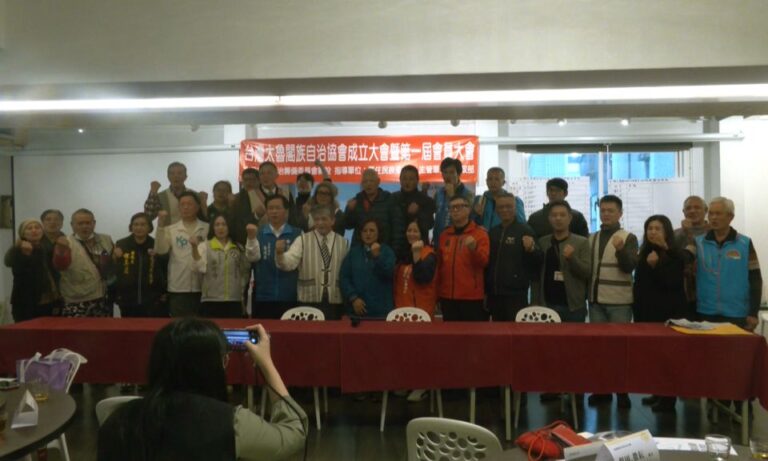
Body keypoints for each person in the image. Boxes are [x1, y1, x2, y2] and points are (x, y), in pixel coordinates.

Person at [97, 318, 308, 461]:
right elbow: (294, 432)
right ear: (211, 368)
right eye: (223, 360)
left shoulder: (118, 420)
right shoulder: (231, 423)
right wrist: (266, 363)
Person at [587, 195, 639, 409]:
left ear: (620, 213)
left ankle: (622, 392)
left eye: (611, 211)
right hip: (595, 301)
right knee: (599, 349)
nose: (606, 214)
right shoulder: (592, 237)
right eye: (603, 210)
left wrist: (620, 250)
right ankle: (602, 391)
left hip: (619, 302)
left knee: (619, 350)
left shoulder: (628, 238)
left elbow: (629, 267)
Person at [633, 214, 688, 413]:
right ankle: (657, 392)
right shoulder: (644, 252)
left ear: (666, 232)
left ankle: (668, 399)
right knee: (653, 357)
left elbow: (671, 283)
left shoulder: (675, 254)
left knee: (667, 358)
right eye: (650, 228)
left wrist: (656, 266)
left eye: (658, 229)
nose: (653, 232)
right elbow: (639, 285)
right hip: (647, 313)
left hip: (668, 314)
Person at [693, 197, 762, 331]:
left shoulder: (745, 243)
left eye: (718, 213)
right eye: (711, 213)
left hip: (737, 313)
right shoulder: (698, 243)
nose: (713, 217)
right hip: (705, 312)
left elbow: (755, 278)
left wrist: (753, 312)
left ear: (730, 217)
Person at [276, 205, 350, 320]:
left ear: (333, 220)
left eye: (324, 219)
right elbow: (289, 263)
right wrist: (279, 254)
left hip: (335, 301)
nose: (320, 223)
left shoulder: (344, 243)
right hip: (308, 299)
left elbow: (348, 273)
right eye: (317, 219)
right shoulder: (302, 240)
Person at [531, 201, 591, 323]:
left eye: (562, 215)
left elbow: (587, 272)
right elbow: (536, 274)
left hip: (573, 307)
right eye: (554, 215)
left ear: (570, 218)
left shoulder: (582, 242)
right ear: (549, 219)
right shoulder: (543, 242)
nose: (558, 218)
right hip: (547, 305)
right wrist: (534, 301)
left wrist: (572, 258)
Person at [154, 191, 210, 317]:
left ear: (197, 207)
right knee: (179, 324)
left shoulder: (207, 228)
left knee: (201, 324)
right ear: (178, 208)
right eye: (182, 204)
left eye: (189, 204)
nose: (185, 207)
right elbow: (161, 250)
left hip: (203, 286)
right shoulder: (171, 229)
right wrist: (160, 226)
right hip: (178, 286)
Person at [192, 216, 260, 318]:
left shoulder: (238, 247)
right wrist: (194, 248)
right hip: (211, 300)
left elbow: (248, 266)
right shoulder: (205, 246)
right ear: (213, 228)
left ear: (229, 227)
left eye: (224, 224)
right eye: (217, 225)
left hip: (234, 299)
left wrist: (241, 295)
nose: (220, 228)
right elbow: (199, 268)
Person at [486, 193, 540, 321]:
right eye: (501, 207)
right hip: (494, 294)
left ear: (515, 208)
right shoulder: (493, 232)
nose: (505, 210)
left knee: (516, 331)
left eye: (509, 206)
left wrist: (532, 250)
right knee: (497, 331)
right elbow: (488, 263)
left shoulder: (525, 230)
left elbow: (538, 261)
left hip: (516, 295)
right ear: (496, 210)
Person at [53, 209, 116, 317]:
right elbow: (60, 266)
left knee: (104, 328)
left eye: (88, 223)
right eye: (80, 223)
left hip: (103, 298)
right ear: (72, 225)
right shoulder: (65, 243)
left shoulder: (106, 239)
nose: (84, 226)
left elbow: (112, 265)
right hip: (77, 300)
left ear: (94, 223)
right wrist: (61, 250)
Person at [436, 195, 490, 321]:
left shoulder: (480, 234)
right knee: (449, 333)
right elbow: (440, 266)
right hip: (447, 296)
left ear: (468, 209)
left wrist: (474, 249)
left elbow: (484, 262)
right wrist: (438, 293)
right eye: (452, 208)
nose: (455, 210)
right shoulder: (444, 235)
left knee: (471, 333)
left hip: (471, 297)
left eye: (459, 207)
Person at [252, 195, 302, 319]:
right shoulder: (258, 234)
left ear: (286, 211)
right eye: (270, 208)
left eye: (278, 208)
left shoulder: (298, 234)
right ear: (266, 211)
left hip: (290, 296)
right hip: (263, 296)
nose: (274, 211)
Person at [5, 219, 62, 321]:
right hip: (26, 304)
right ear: (23, 233)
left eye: (37, 227)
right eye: (29, 228)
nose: (34, 230)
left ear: (42, 231)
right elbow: (10, 263)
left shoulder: (47, 247)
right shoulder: (19, 249)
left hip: (50, 301)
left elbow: (54, 273)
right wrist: (24, 253)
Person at [113, 213, 167, 318]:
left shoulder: (155, 245)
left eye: (143, 224)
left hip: (152, 299)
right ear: (131, 226)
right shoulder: (122, 244)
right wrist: (114, 256)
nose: (139, 228)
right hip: (127, 299)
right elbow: (115, 270)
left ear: (149, 227)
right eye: (136, 224)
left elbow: (164, 269)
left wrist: (164, 292)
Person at [340, 219, 396, 319]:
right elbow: (344, 277)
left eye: (372, 230)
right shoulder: (353, 253)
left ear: (379, 233)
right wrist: (353, 298)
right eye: (365, 231)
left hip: (382, 312)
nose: (368, 234)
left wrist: (377, 257)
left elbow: (388, 273)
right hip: (357, 312)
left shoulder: (387, 252)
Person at [344, 168, 404, 255]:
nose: (368, 184)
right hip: (360, 252)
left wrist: (394, 251)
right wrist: (349, 210)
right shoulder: (357, 201)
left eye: (371, 181)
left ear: (378, 182)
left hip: (384, 250)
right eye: (365, 182)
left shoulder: (389, 199)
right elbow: (347, 225)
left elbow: (397, 227)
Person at [672, 195, 710, 319]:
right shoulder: (675, 234)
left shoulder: (714, 232)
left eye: (697, 207)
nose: (692, 211)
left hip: (708, 292)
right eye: (688, 208)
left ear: (706, 210)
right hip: (682, 293)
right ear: (683, 212)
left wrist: (689, 234)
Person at [394, 219, 438, 318]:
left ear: (422, 233)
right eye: (409, 230)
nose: (411, 234)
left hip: (420, 313)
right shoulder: (403, 253)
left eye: (415, 231)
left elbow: (423, 279)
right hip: (400, 311)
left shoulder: (429, 254)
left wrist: (416, 255)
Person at [144, 162, 207, 227]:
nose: (176, 176)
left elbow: (204, 219)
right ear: (168, 177)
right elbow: (148, 217)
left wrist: (204, 203)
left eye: (179, 173)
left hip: (191, 231)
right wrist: (153, 193)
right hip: (167, 232)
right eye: (172, 173)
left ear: (185, 177)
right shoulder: (161, 196)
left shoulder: (195, 195)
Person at [390, 165, 436, 247]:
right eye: (404, 178)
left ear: (417, 180)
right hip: (396, 245)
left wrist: (418, 212)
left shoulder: (426, 200)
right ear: (400, 180)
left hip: (419, 245)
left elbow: (430, 224)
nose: (407, 182)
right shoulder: (392, 198)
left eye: (411, 179)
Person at [433, 157, 474, 247]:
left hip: (458, 242)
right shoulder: (439, 193)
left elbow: (468, 218)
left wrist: (452, 196)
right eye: (445, 172)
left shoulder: (468, 195)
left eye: (452, 172)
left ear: (458, 174)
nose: (448, 176)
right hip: (439, 240)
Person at [232, 167, 262, 244]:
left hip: (262, 236)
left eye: (252, 180)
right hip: (241, 238)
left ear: (259, 181)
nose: (248, 183)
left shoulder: (263, 196)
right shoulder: (236, 198)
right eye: (246, 180)